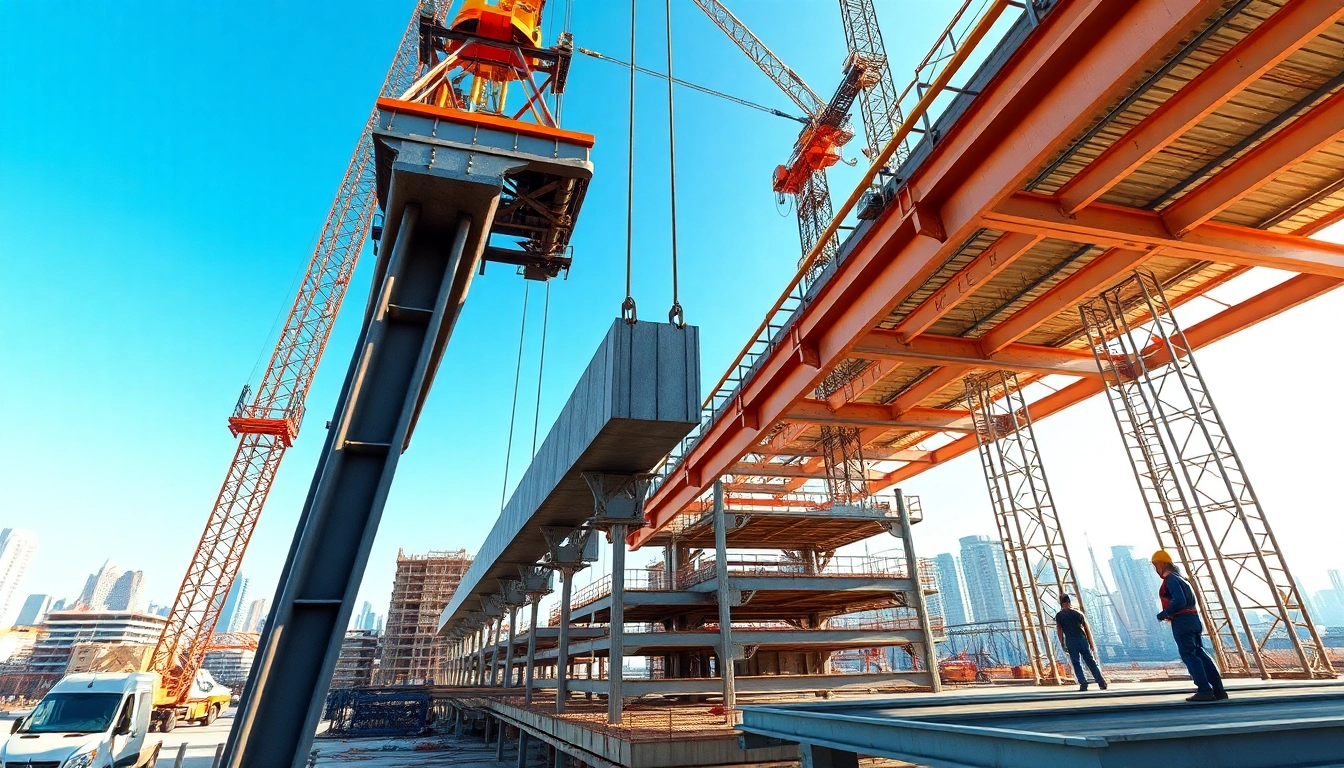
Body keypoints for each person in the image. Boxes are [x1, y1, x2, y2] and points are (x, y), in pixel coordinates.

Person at [1151, 549, 1227, 702]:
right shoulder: (1182, 578)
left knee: (1190, 656)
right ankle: (1219, 690)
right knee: (1200, 654)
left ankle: (1205, 690)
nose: (1155, 569)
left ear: (1162, 564)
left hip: (1182, 621)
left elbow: (1179, 600)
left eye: (1156, 565)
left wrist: (1164, 613)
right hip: (1193, 620)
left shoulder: (1171, 579)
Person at [1055, 594, 1107, 691]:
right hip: (1082, 640)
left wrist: (1062, 644)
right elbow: (1087, 629)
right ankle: (1101, 681)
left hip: (1071, 641)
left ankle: (1083, 683)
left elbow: (1059, 631)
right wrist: (1091, 643)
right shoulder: (1078, 613)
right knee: (1090, 661)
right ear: (1069, 602)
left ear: (1061, 603)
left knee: (1076, 662)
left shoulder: (1059, 615)